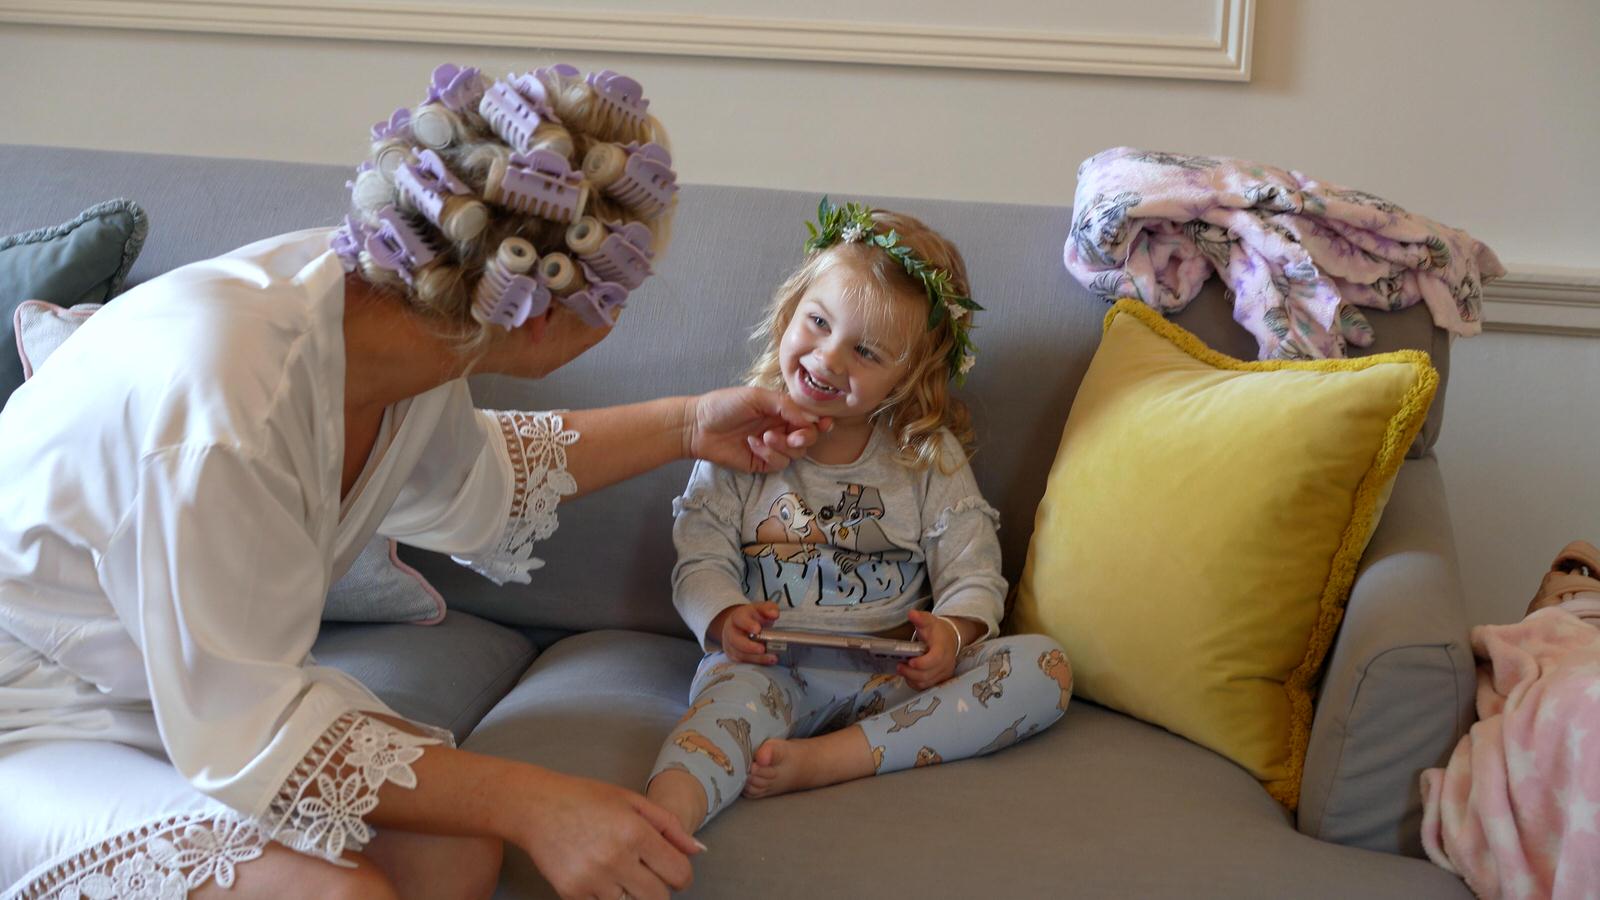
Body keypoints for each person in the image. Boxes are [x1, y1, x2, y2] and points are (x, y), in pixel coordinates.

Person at [0, 63, 826, 900]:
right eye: (626, 299)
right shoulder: (228, 405)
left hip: (172, 679)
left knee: (454, 855)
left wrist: (688, 426)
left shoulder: (385, 336)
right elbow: (245, 727)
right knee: (345, 894)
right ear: (544, 315)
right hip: (29, 711)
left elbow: (482, 477)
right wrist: (539, 803)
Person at [643, 199, 1073, 834]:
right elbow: (700, 558)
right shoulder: (738, 436)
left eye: (867, 352)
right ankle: (655, 831)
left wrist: (952, 636)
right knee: (713, 723)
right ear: (790, 313)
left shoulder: (927, 456)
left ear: (909, 375)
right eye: (817, 322)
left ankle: (834, 759)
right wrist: (724, 617)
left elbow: (974, 574)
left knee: (1045, 668)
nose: (830, 358)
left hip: (894, 681)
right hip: (767, 672)